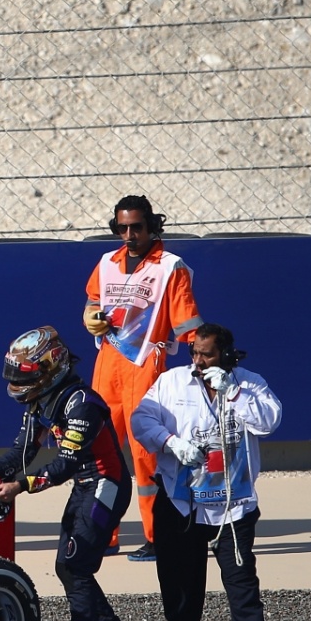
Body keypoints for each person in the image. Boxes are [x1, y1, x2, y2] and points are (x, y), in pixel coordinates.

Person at [0, 326, 135, 621]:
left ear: (52, 367)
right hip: (85, 486)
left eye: (25, 375)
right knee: (69, 567)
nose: (18, 383)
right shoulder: (40, 400)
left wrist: (19, 487)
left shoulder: (82, 404)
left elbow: (65, 464)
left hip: (106, 486)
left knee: (75, 567)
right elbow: (23, 451)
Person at [131, 322, 283, 621]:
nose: (198, 361)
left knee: (241, 580)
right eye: (194, 353)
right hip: (181, 502)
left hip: (233, 505)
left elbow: (269, 422)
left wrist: (234, 394)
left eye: (207, 354)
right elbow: (141, 419)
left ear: (226, 355)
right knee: (177, 580)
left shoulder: (249, 383)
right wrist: (170, 442)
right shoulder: (171, 382)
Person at [83, 193, 201, 560]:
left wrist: (205, 362)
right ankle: (103, 535)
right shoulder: (107, 262)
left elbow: (187, 323)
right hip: (108, 365)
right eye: (122, 228)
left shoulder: (171, 267)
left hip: (146, 365)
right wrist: (90, 318)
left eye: (136, 227)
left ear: (151, 226)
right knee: (98, 452)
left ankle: (158, 536)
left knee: (147, 456)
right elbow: (92, 301)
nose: (129, 235)